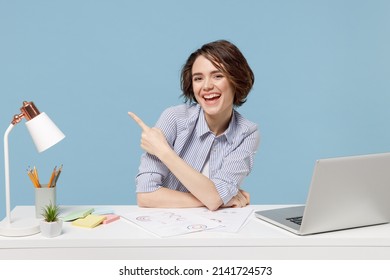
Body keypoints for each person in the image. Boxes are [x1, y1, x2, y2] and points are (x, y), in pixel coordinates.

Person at [128, 40, 259, 211]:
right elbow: (145, 195)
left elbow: (214, 199)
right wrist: (218, 199)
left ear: (236, 79)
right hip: (164, 229)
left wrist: (164, 151)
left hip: (215, 230)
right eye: (198, 78)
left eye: (218, 76)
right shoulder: (174, 118)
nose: (206, 86)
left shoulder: (247, 133)